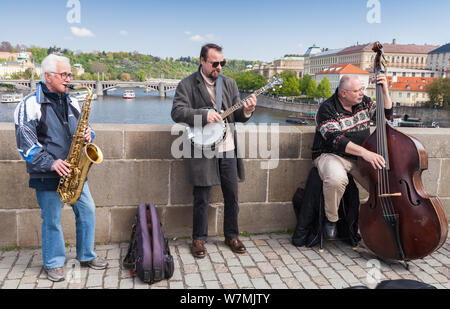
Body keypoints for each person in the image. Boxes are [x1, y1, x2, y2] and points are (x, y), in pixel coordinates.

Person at [14, 54, 108, 282]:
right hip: (47, 173)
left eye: (69, 74)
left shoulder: (73, 101)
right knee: (52, 220)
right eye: (64, 74)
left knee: (87, 212)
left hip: (75, 170)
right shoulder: (29, 105)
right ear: (48, 76)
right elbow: (25, 145)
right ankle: (53, 263)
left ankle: (86, 255)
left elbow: (85, 129)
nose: (68, 79)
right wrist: (51, 162)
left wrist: (89, 134)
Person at [171, 43, 257, 258]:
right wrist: (203, 115)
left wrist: (247, 110)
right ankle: (198, 239)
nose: (219, 67)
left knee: (232, 195)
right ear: (202, 61)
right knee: (202, 196)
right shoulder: (187, 84)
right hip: (202, 147)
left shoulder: (229, 83)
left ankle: (232, 236)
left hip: (228, 146)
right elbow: (177, 112)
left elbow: (236, 116)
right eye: (214, 63)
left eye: (222, 63)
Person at [312, 74, 393, 239]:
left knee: (381, 185)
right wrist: (365, 153)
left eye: (362, 89)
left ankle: (381, 224)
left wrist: (385, 91)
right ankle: (332, 219)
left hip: (359, 158)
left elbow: (386, 116)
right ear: (343, 93)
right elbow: (336, 140)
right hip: (331, 154)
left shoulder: (363, 102)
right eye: (357, 91)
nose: (361, 93)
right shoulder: (327, 108)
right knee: (336, 179)